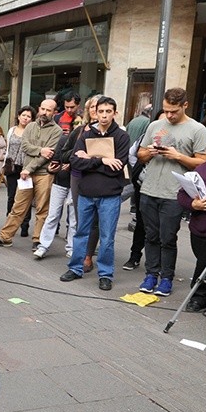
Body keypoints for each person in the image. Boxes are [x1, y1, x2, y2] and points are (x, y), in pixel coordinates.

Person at [136, 87, 206, 297]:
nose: (169, 115)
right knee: (150, 236)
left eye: (173, 111)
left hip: (175, 193)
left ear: (185, 105)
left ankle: (166, 278)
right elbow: (140, 155)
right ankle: (151, 274)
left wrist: (177, 156)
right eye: (166, 110)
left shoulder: (197, 129)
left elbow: (202, 163)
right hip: (149, 189)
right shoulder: (155, 125)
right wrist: (149, 152)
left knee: (167, 237)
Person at [58, 97, 129, 291]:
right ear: (95, 112)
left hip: (110, 195)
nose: (104, 115)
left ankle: (105, 274)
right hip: (86, 193)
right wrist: (103, 160)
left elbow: (118, 167)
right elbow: (75, 161)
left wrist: (90, 158)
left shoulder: (122, 137)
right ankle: (76, 268)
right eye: (101, 111)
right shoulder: (87, 133)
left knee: (107, 237)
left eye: (108, 111)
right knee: (81, 232)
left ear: (115, 113)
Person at [0, 99, 61, 249]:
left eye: (48, 110)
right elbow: (25, 146)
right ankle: (5, 237)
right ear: (39, 108)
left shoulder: (57, 131)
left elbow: (49, 154)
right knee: (18, 206)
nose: (44, 113)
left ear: (54, 112)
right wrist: (40, 150)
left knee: (42, 209)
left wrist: (29, 168)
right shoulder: (31, 126)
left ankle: (38, 240)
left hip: (44, 173)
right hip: (27, 174)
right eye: (43, 109)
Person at [33, 106, 77, 260]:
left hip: (76, 184)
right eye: (76, 125)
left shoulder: (88, 141)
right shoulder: (65, 139)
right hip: (61, 181)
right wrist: (55, 168)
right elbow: (58, 158)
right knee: (53, 215)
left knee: (73, 219)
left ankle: (71, 247)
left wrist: (71, 163)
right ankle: (43, 245)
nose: (79, 128)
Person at [64, 94, 103, 271]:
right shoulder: (79, 131)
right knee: (82, 218)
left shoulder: (112, 132)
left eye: (99, 107)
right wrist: (77, 154)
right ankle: (80, 254)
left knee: (95, 219)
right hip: (78, 177)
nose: (95, 111)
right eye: (92, 107)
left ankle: (88, 255)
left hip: (101, 179)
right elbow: (64, 154)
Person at [123, 108, 165, 271]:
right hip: (145, 187)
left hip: (166, 189)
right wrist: (139, 173)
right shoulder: (146, 137)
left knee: (164, 228)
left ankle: (160, 263)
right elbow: (133, 154)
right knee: (141, 223)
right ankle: (135, 256)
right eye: (160, 121)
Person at [177, 144, 206, 312]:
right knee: (204, 264)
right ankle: (200, 295)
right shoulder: (202, 171)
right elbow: (182, 195)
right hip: (205, 230)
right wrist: (194, 204)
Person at [1, 106, 35, 237]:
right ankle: (10, 223)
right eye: (24, 115)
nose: (25, 118)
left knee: (25, 197)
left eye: (29, 116)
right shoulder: (12, 130)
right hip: (12, 167)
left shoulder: (32, 132)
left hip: (25, 168)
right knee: (11, 197)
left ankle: (25, 225)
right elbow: (8, 147)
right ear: (19, 116)